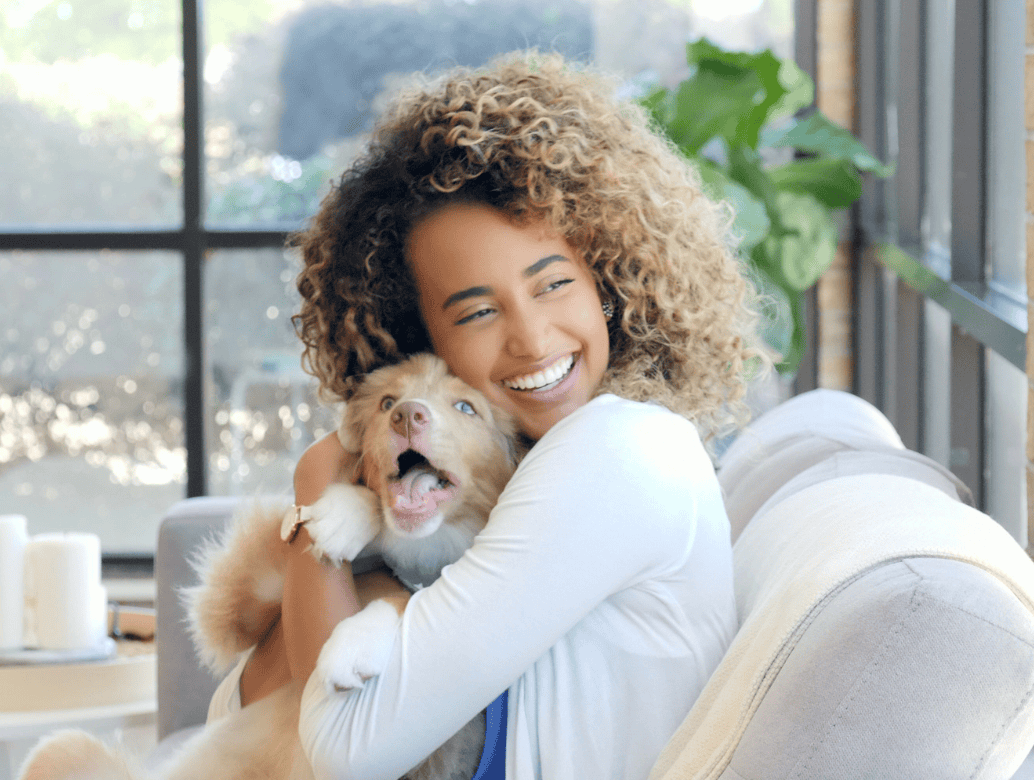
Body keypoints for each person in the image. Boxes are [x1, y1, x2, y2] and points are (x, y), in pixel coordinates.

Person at [210, 51, 769, 780]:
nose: (533, 339)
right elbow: (240, 710)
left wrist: (320, 487)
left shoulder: (620, 449)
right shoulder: (503, 485)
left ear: (609, 281)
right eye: (476, 311)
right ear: (423, 340)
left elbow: (344, 746)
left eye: (554, 284)